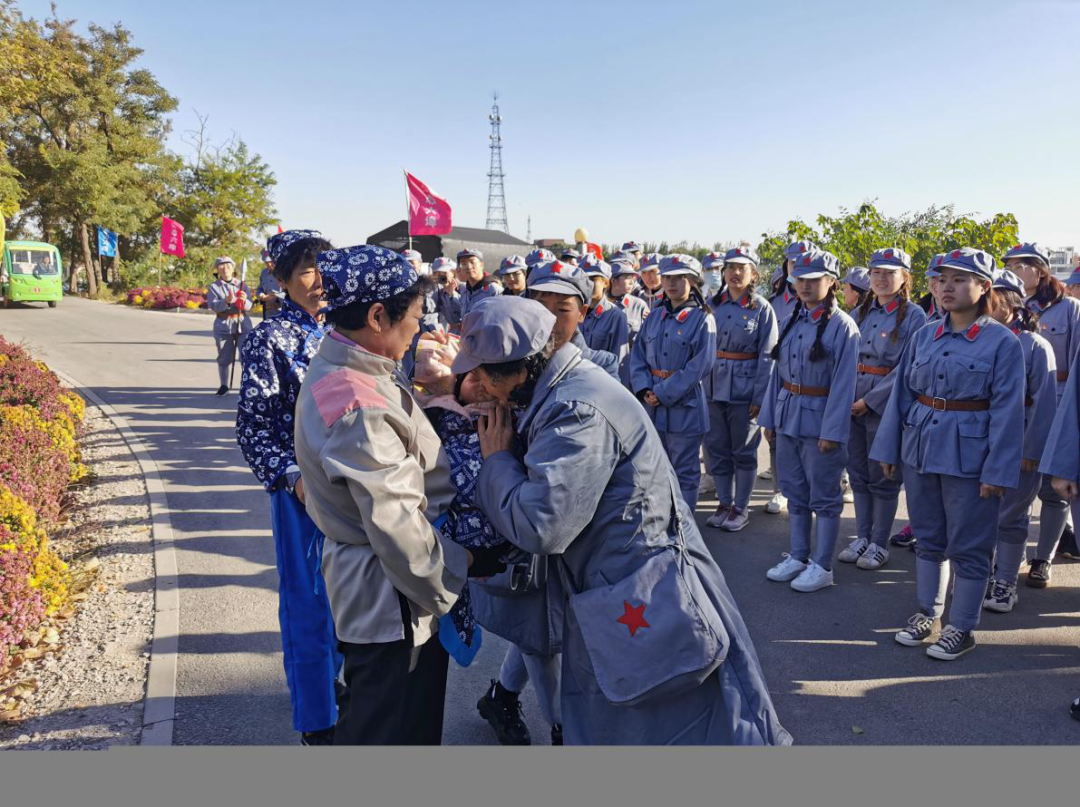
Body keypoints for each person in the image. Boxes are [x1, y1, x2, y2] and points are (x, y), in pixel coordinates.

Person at [455, 295, 791, 746]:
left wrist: (496, 461)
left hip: (643, 594)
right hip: (623, 588)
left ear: (520, 371)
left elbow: (542, 526)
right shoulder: (560, 391)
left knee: (681, 727)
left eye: (483, 374)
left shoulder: (576, 411)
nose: (478, 385)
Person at [294, 244, 502, 745]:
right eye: (413, 317)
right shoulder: (360, 406)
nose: (417, 330)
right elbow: (398, 528)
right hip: (392, 599)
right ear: (376, 316)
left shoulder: (352, 369)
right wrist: (465, 562)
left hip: (384, 585)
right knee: (391, 732)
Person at [872, 248, 1025, 660]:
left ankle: (963, 626)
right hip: (921, 449)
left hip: (971, 457)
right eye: (942, 279)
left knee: (970, 544)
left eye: (959, 279)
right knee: (928, 539)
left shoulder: (1002, 342)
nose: (947, 287)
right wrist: (889, 449)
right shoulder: (925, 336)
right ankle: (929, 613)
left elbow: (1008, 412)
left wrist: (997, 471)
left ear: (984, 287)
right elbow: (902, 396)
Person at [235, 229, 341, 745]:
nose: (319, 280)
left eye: (324, 267)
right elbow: (253, 426)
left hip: (357, 486)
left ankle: (341, 685)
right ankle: (317, 720)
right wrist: (292, 479)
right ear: (280, 280)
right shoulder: (269, 339)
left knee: (353, 593)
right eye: (306, 271)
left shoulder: (345, 330)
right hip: (302, 492)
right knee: (309, 602)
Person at [760, 249, 859, 592]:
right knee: (795, 492)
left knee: (825, 498)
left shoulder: (843, 326)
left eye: (813, 279)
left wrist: (832, 432)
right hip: (789, 416)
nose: (804, 285)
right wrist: (770, 417)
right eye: (799, 279)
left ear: (831, 282)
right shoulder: (792, 319)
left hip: (820, 422)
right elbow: (778, 374)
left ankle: (822, 565)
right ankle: (799, 555)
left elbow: (844, 385)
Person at [836, 248, 928, 570]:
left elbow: (908, 367)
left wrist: (870, 401)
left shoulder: (915, 316)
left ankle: (879, 543)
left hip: (885, 404)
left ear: (904, 277)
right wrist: (846, 397)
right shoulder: (859, 312)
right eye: (876, 272)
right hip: (852, 398)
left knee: (883, 477)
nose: (881, 278)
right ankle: (862, 536)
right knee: (859, 474)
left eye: (890, 272)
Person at [1004, 242, 1080, 587]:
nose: (1014, 271)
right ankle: (1013, 552)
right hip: (1018, 411)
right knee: (1014, 487)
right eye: (1010, 266)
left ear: (1040, 269)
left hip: (1060, 408)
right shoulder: (1011, 303)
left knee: (1053, 491)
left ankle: (1044, 558)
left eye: (1019, 265)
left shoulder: (1069, 308)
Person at [984, 270, 1055, 613]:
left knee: (1012, 517)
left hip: (1020, 442)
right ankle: (980, 576)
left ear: (1012, 303)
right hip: (981, 440)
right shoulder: (977, 340)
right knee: (981, 516)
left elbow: (1045, 403)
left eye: (994, 298)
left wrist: (1032, 450)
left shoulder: (1036, 346)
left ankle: (1006, 583)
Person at [629, 254, 717, 512]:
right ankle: (662, 522)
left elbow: (699, 366)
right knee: (655, 469)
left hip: (685, 407)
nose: (671, 283)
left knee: (685, 473)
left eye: (679, 277)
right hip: (652, 406)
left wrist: (663, 392)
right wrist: (645, 389)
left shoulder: (702, 318)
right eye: (667, 277)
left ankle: (684, 527)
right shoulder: (655, 316)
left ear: (692, 281)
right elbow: (638, 355)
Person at [703, 247, 778, 533]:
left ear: (754, 274)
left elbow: (768, 355)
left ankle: (741, 507)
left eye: (742, 268)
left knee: (744, 451)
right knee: (717, 449)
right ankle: (724, 503)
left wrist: (760, 397)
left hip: (745, 390)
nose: (735, 273)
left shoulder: (761, 308)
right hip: (713, 387)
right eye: (730, 267)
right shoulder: (712, 305)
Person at [761, 240, 816, 515]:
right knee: (776, 439)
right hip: (780, 381)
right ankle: (779, 489)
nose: (798, 267)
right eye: (793, 262)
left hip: (810, 388)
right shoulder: (774, 303)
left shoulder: (824, 307)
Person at [527, 259, 620, 379]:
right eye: (540, 307)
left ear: (582, 313)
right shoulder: (516, 359)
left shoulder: (601, 366)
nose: (550, 318)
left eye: (563, 310)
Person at [206, 256, 254, 396]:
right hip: (224, 325)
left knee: (246, 356)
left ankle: (248, 385)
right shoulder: (214, 287)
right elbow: (213, 306)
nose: (225, 268)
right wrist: (226, 302)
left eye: (228, 265)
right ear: (217, 269)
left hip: (242, 324)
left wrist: (244, 300)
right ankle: (224, 385)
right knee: (224, 358)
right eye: (221, 265)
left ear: (233, 269)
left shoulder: (242, 284)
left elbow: (249, 306)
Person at [580, 256, 631, 366]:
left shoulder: (616, 316)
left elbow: (620, 361)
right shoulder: (574, 311)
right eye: (583, 279)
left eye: (593, 279)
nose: (587, 284)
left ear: (606, 283)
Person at [453, 248, 501, 329]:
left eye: (472, 262)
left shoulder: (494, 290)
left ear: (481, 265)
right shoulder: (465, 291)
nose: (468, 267)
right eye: (464, 263)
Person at [431, 257, 461, 329]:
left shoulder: (464, 289)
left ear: (453, 273)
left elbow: (457, 319)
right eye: (437, 274)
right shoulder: (437, 292)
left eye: (444, 273)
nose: (441, 277)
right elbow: (429, 312)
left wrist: (451, 295)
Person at [257, 248, 283, 320]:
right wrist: (261, 295)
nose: (269, 264)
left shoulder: (283, 272)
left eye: (271, 261)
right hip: (267, 311)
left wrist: (276, 297)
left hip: (282, 311)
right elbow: (260, 288)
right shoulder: (264, 273)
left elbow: (291, 292)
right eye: (266, 262)